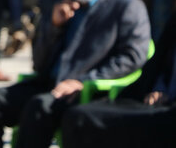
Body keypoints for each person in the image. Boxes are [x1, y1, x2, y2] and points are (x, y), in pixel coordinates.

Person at [0, 0, 150, 148]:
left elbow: (133, 56)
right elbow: (39, 63)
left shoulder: (126, 6)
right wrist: (55, 27)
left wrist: (84, 81)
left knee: (39, 106)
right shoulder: (65, 6)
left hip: (86, 91)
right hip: (49, 84)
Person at [61, 13, 176, 148]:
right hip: (152, 102)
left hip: (168, 114)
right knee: (79, 117)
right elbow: (162, 67)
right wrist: (159, 89)